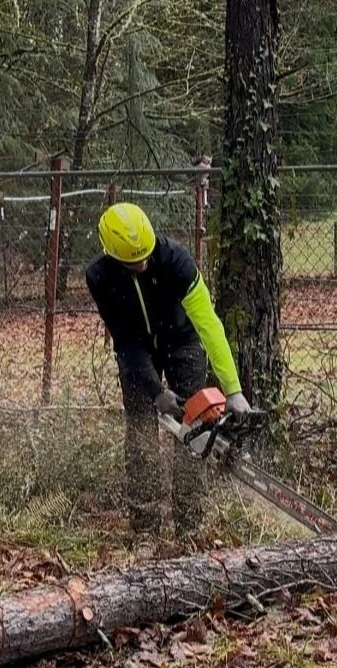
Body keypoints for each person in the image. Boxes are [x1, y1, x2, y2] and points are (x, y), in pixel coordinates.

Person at [85, 202, 250, 541]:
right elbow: (125, 341)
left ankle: (190, 524)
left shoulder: (176, 261)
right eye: (133, 262)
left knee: (195, 429)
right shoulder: (99, 277)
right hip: (136, 350)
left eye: (145, 257)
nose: (142, 265)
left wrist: (232, 390)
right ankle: (145, 528)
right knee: (141, 435)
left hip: (182, 339)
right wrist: (155, 390)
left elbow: (208, 324)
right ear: (112, 255)